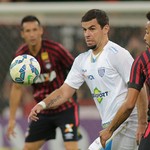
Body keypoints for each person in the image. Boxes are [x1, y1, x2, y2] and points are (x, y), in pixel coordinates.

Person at [28, 9, 147, 150]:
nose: (87, 34)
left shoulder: (118, 54)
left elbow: (140, 87)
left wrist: (142, 123)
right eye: (84, 30)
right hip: (110, 126)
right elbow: (64, 92)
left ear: (106, 29)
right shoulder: (81, 60)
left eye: (92, 29)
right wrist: (42, 104)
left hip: (127, 123)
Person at [6, 15, 81, 150]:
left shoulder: (56, 49)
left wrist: (76, 92)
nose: (32, 34)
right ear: (22, 34)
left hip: (65, 108)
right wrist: (12, 119)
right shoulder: (20, 57)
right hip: (42, 111)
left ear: (41, 30)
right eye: (28, 31)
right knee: (28, 148)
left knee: (71, 147)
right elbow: (17, 88)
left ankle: (73, 128)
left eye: (35, 29)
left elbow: (77, 69)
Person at [99, 11, 150, 150]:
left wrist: (109, 130)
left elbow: (129, 104)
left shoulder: (141, 62)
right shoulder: (141, 62)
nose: (145, 38)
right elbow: (129, 104)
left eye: (148, 33)